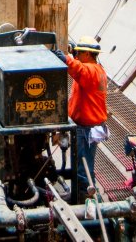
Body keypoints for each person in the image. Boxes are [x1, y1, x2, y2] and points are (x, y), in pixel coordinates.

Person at [52, 35, 108, 202]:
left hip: (87, 128)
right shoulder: (97, 70)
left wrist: (67, 59)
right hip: (88, 126)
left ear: (88, 55)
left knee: (83, 167)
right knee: (82, 164)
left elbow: (79, 69)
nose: (77, 56)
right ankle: (80, 194)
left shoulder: (91, 71)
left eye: (79, 53)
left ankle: (89, 201)